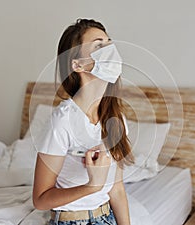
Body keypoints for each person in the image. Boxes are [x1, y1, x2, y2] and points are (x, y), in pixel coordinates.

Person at [32, 18, 134, 225]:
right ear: (78, 65)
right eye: (98, 45)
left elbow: (117, 188)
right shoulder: (62, 121)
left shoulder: (117, 118)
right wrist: (92, 186)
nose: (109, 50)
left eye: (109, 43)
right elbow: (40, 200)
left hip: (108, 218)